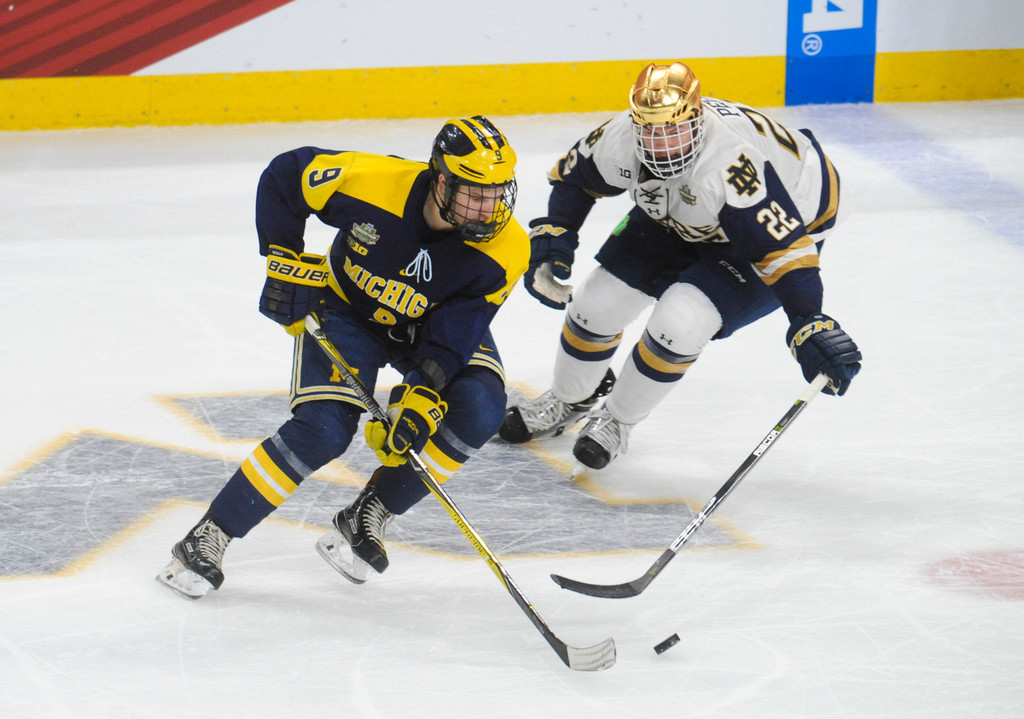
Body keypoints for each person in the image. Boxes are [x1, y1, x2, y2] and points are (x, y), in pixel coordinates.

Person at [158, 116, 528, 598]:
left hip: (426, 325)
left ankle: (369, 513)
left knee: (479, 409)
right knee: (324, 429)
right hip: (344, 310)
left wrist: (418, 395)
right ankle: (210, 535)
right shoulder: (374, 183)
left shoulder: (508, 248)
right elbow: (286, 176)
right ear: (441, 179)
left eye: (498, 193)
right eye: (474, 193)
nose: (489, 208)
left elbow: (455, 334)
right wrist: (284, 261)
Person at [500, 62, 861, 470]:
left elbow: (782, 250)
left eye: (672, 130)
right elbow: (574, 178)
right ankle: (569, 399)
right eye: (650, 131)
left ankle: (617, 421)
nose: (660, 144)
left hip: (785, 214)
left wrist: (808, 320)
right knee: (594, 304)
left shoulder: (730, 165)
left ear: (697, 120)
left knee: (680, 323)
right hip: (684, 210)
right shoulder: (622, 137)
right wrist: (555, 236)